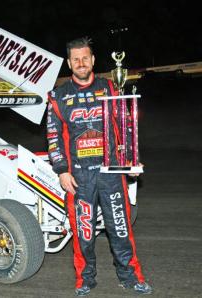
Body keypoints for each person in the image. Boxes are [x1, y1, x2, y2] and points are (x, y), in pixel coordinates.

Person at [46, 37, 152, 296]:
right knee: (84, 234)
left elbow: (124, 127)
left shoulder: (111, 87)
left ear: (93, 60)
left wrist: (130, 161)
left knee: (121, 229)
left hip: (111, 174)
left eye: (85, 58)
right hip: (79, 178)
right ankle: (85, 279)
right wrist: (62, 170)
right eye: (76, 59)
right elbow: (53, 136)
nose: (81, 63)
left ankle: (130, 277)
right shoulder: (58, 96)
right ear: (69, 63)